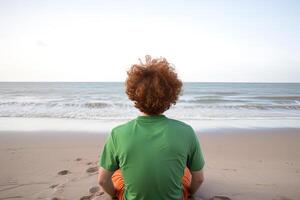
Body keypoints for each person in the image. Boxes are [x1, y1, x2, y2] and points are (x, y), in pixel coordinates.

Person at [98, 55, 205, 200]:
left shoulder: (118, 133)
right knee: (185, 171)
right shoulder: (186, 131)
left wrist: (114, 195)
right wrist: (189, 193)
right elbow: (198, 179)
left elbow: (103, 181)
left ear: (134, 93)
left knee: (117, 172)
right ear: (171, 94)